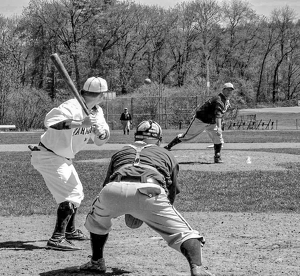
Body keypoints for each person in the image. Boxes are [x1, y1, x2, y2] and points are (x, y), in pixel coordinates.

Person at [79, 120, 214, 276]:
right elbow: (171, 192)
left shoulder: (120, 152)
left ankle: (96, 262)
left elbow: (106, 185)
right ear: (159, 139)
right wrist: (147, 210)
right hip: (151, 190)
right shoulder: (166, 154)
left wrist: (126, 206)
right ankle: (197, 268)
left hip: (113, 189)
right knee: (186, 234)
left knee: (96, 221)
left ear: (136, 136)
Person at [30, 77, 110, 251]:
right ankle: (57, 238)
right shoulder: (71, 107)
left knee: (77, 193)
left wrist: (100, 133)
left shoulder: (97, 111)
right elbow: (50, 123)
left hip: (63, 157)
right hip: (48, 155)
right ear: (101, 95)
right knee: (71, 193)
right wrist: (81, 123)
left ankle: (70, 231)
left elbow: (101, 140)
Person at [164, 83, 234, 163]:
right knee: (187, 136)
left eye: (231, 90)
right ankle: (168, 147)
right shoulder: (219, 99)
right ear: (223, 90)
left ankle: (217, 156)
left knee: (218, 137)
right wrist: (219, 127)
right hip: (201, 120)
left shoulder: (226, 100)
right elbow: (218, 114)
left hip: (211, 122)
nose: (229, 92)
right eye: (228, 89)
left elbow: (222, 112)